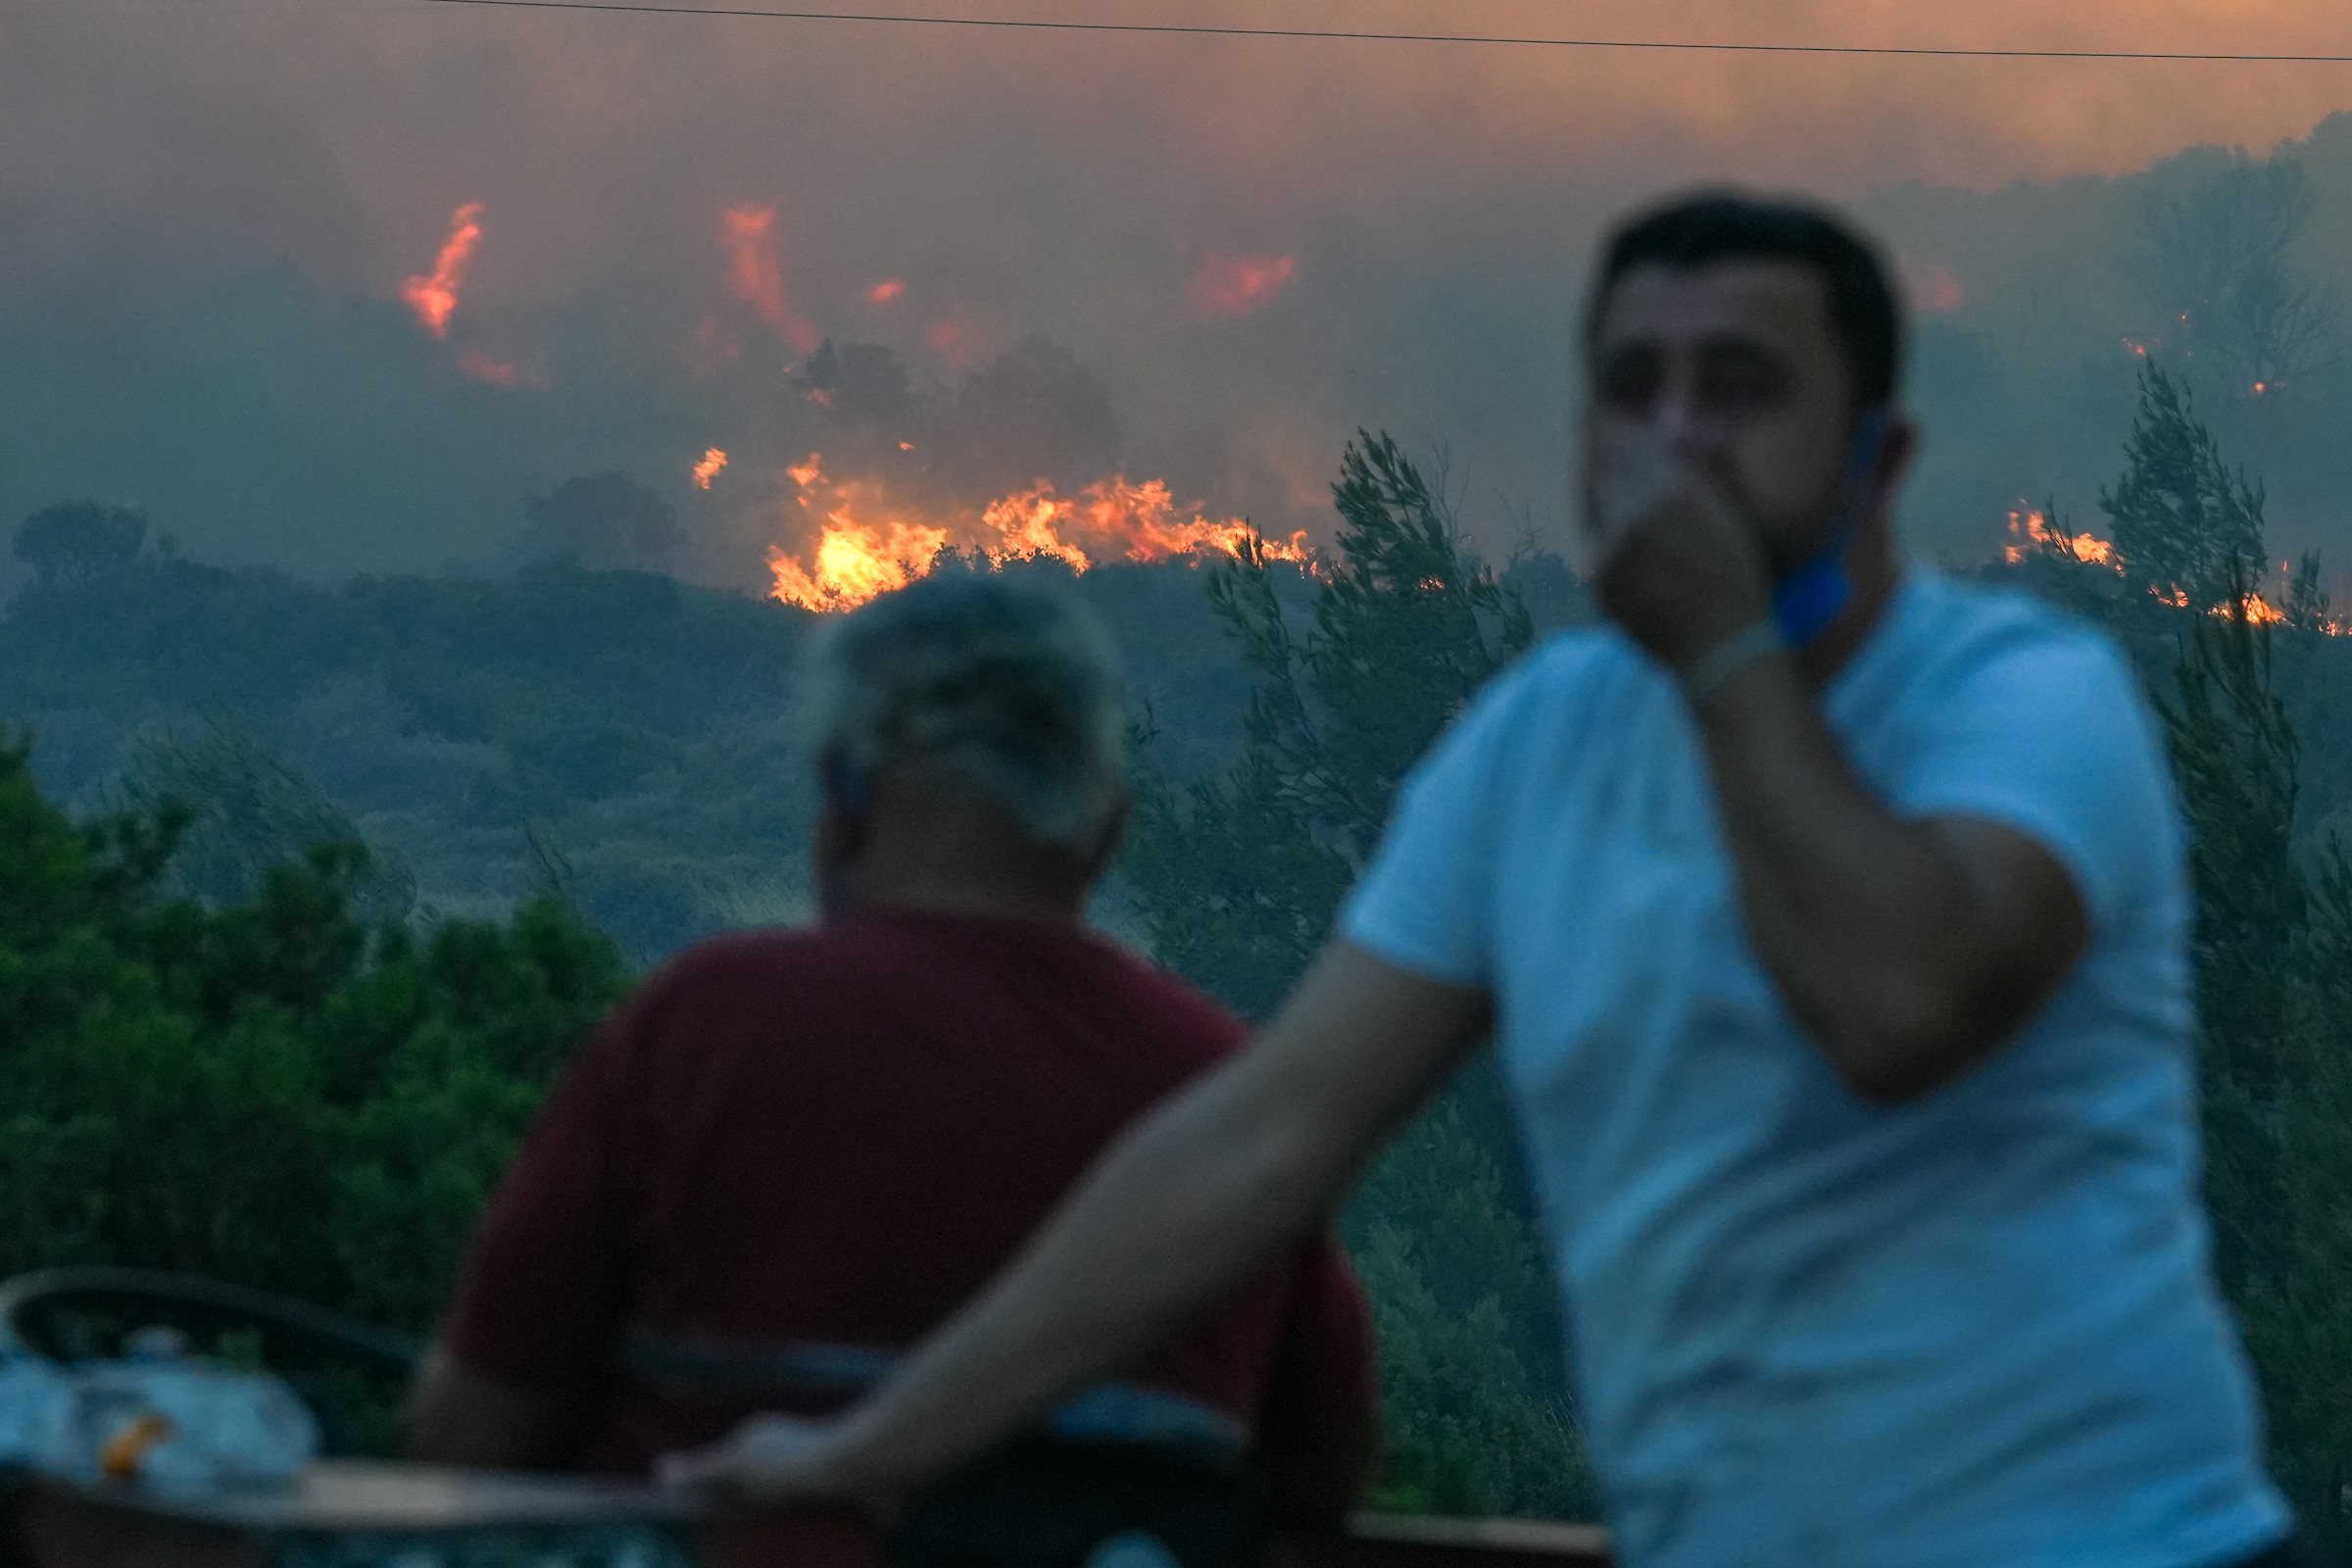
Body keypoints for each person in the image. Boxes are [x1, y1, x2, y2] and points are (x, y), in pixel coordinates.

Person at [666, 193, 2310, 1568]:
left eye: (1738, 386)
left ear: (1877, 461)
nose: (1675, 435)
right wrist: (873, 1449)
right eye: (1633, 387)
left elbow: (1900, 1006)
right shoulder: (1540, 743)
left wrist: (1727, 652)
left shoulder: (2020, 702)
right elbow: (1258, 1141)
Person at [408, 572, 1377, 1558]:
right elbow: (1323, 1471)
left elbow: (473, 1432)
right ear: (1106, 828)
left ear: (845, 794)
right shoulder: (1230, 1094)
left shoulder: (697, 1027)